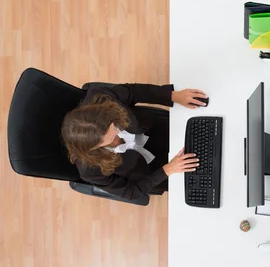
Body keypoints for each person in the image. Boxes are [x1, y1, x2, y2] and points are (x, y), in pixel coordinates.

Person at [62, 83, 207, 200]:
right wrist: (167, 170)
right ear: (95, 147)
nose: (117, 131)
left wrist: (173, 96)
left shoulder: (101, 97)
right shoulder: (90, 170)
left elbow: (135, 91)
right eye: (110, 136)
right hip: (154, 171)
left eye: (112, 125)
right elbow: (132, 192)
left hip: (159, 129)